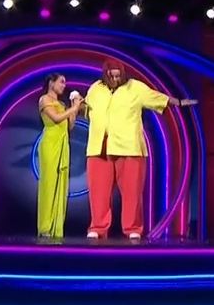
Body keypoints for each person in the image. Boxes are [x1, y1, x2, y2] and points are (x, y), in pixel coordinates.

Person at [82, 59, 197, 240]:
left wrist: (179, 102)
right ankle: (97, 227)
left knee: (132, 193)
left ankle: (133, 228)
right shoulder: (95, 88)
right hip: (99, 148)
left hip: (130, 148)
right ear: (106, 74)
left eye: (118, 75)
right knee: (98, 193)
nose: (115, 79)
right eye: (112, 76)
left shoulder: (135, 87)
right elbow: (86, 109)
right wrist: (77, 103)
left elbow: (156, 97)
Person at [37, 73, 83, 238]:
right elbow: (56, 118)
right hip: (50, 145)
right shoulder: (44, 100)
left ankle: (56, 228)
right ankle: (45, 227)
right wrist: (73, 109)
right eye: (61, 82)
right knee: (49, 185)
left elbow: (69, 126)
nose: (64, 85)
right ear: (51, 83)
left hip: (63, 145)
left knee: (61, 187)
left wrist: (73, 107)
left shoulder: (62, 104)